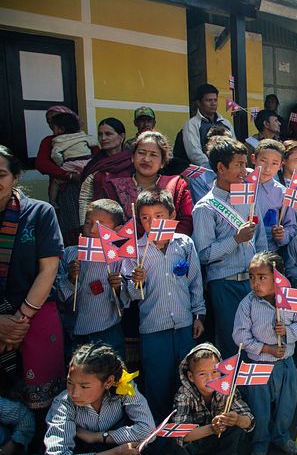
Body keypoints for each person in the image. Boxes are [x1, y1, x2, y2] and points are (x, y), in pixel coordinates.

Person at [126, 189, 205, 421]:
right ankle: (159, 435)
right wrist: (135, 281)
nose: (152, 223)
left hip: (183, 325)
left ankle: (187, 431)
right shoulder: (135, 251)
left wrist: (199, 315)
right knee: (157, 384)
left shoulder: (184, 244)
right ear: (139, 220)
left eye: (159, 216)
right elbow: (131, 296)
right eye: (145, 218)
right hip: (153, 328)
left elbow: (195, 282)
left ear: (171, 215)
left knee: (186, 381)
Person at [0, 145, 65, 411]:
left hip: (32, 315)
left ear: (15, 177)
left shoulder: (39, 213)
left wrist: (17, 322)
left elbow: (48, 270)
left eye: (1, 174)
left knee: (42, 407)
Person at [192, 138, 267, 358]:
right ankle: (233, 392)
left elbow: (261, 240)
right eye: (239, 165)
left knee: (258, 341)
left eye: (246, 164)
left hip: (253, 282)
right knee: (233, 345)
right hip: (225, 284)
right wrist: (235, 239)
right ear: (220, 168)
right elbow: (204, 254)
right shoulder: (205, 207)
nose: (245, 171)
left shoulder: (249, 197)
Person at [232, 252, 297, 455]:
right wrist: (267, 349)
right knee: (260, 408)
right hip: (258, 367)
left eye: (262, 277)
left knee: (287, 404)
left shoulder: (289, 299)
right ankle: (260, 442)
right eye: (252, 277)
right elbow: (240, 336)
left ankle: (281, 436)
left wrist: (287, 332)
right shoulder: (247, 304)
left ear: (277, 278)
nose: (255, 283)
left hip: (286, 365)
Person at [44, 343, 154, 455]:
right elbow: (56, 453)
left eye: (84, 386)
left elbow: (148, 431)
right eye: (70, 383)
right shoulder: (64, 403)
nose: (74, 393)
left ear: (109, 382)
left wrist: (98, 437)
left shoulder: (124, 387)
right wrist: (115, 453)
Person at [57, 199, 128, 359]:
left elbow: (128, 299)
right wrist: (71, 279)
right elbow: (58, 296)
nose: (93, 229)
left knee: (114, 376)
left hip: (107, 329)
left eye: (101, 225)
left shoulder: (118, 257)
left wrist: (118, 287)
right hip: (74, 332)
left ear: (117, 230)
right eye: (88, 223)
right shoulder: (70, 254)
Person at [100, 131, 194, 235]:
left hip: (168, 247)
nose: (146, 159)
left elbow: (187, 221)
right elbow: (104, 223)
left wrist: (161, 241)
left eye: (153, 155)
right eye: (141, 153)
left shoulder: (177, 185)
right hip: (126, 248)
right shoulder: (113, 187)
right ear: (132, 157)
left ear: (162, 162)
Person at [172, 343, 255, 455]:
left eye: (215, 372)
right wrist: (212, 428)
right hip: (198, 445)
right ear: (191, 377)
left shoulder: (227, 387)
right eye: (202, 374)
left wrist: (237, 419)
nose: (210, 379)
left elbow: (249, 421)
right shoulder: (184, 394)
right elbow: (180, 434)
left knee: (236, 428)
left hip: (224, 444)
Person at [36, 106, 91, 244]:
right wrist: (67, 175)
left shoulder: (80, 137)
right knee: (69, 229)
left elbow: (96, 156)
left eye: (54, 120)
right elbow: (41, 163)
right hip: (66, 191)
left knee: (88, 224)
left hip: (85, 185)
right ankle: (72, 260)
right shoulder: (49, 141)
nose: (51, 124)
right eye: (49, 121)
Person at [79, 118, 132, 228]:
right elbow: (85, 197)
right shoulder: (95, 164)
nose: (103, 138)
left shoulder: (132, 161)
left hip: (129, 222)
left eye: (108, 134)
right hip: (98, 222)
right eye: (100, 134)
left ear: (121, 137)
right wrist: (85, 225)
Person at [252, 140, 297, 253]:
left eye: (274, 163)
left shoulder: (282, 193)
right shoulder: (241, 186)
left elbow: (291, 226)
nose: (267, 168)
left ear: (281, 165)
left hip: (269, 253)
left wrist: (282, 235)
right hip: (242, 252)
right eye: (263, 161)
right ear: (253, 159)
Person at [48, 113, 98, 209]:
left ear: (61, 129)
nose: (52, 130)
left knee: (55, 181)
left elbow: (55, 155)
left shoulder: (58, 140)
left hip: (71, 163)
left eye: (54, 127)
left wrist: (60, 163)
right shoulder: (83, 135)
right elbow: (93, 142)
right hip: (87, 162)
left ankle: (53, 201)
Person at [183, 84, 234, 167]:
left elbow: (233, 147)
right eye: (209, 100)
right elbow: (194, 153)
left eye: (215, 100)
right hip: (205, 171)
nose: (213, 103)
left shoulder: (226, 123)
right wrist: (212, 168)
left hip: (228, 169)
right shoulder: (192, 124)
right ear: (199, 103)